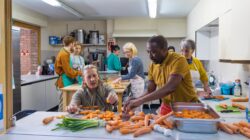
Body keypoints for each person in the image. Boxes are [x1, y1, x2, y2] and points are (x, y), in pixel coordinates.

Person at [124, 35, 198, 115]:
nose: (150, 56)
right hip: (167, 105)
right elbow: (150, 90)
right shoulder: (152, 65)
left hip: (186, 107)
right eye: (148, 52)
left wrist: (139, 101)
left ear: (164, 50)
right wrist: (136, 99)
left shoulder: (179, 60)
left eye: (154, 52)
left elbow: (170, 87)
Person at [113, 42, 145, 112]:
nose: (125, 54)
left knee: (137, 104)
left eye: (127, 52)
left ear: (132, 51)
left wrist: (120, 78)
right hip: (135, 84)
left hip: (138, 85)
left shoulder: (135, 60)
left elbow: (132, 75)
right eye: (124, 52)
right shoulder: (131, 60)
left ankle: (138, 118)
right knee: (134, 104)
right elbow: (131, 74)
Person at [55, 36, 82, 111]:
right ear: (71, 44)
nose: (74, 46)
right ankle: (59, 119)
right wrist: (80, 72)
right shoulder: (64, 54)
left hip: (67, 80)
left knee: (67, 103)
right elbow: (68, 71)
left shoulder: (65, 52)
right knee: (63, 104)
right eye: (73, 44)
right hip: (64, 81)